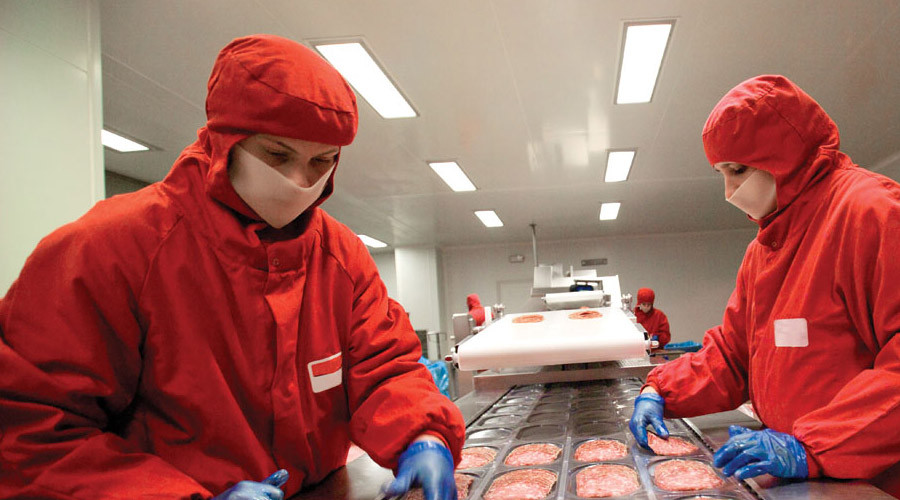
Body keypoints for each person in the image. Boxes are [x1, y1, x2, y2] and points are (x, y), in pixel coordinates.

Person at [0, 35, 464, 500]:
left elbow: (384, 367)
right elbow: (33, 431)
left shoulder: (339, 257)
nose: (300, 183)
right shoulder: (110, 250)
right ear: (225, 139)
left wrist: (422, 433)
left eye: (321, 162)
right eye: (277, 156)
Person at [629, 75, 900, 497]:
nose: (729, 191)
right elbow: (735, 355)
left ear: (785, 153)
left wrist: (814, 444)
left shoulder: (869, 213)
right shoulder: (765, 248)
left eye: (737, 170)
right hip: (802, 477)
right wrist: (661, 389)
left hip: (870, 480)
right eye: (721, 173)